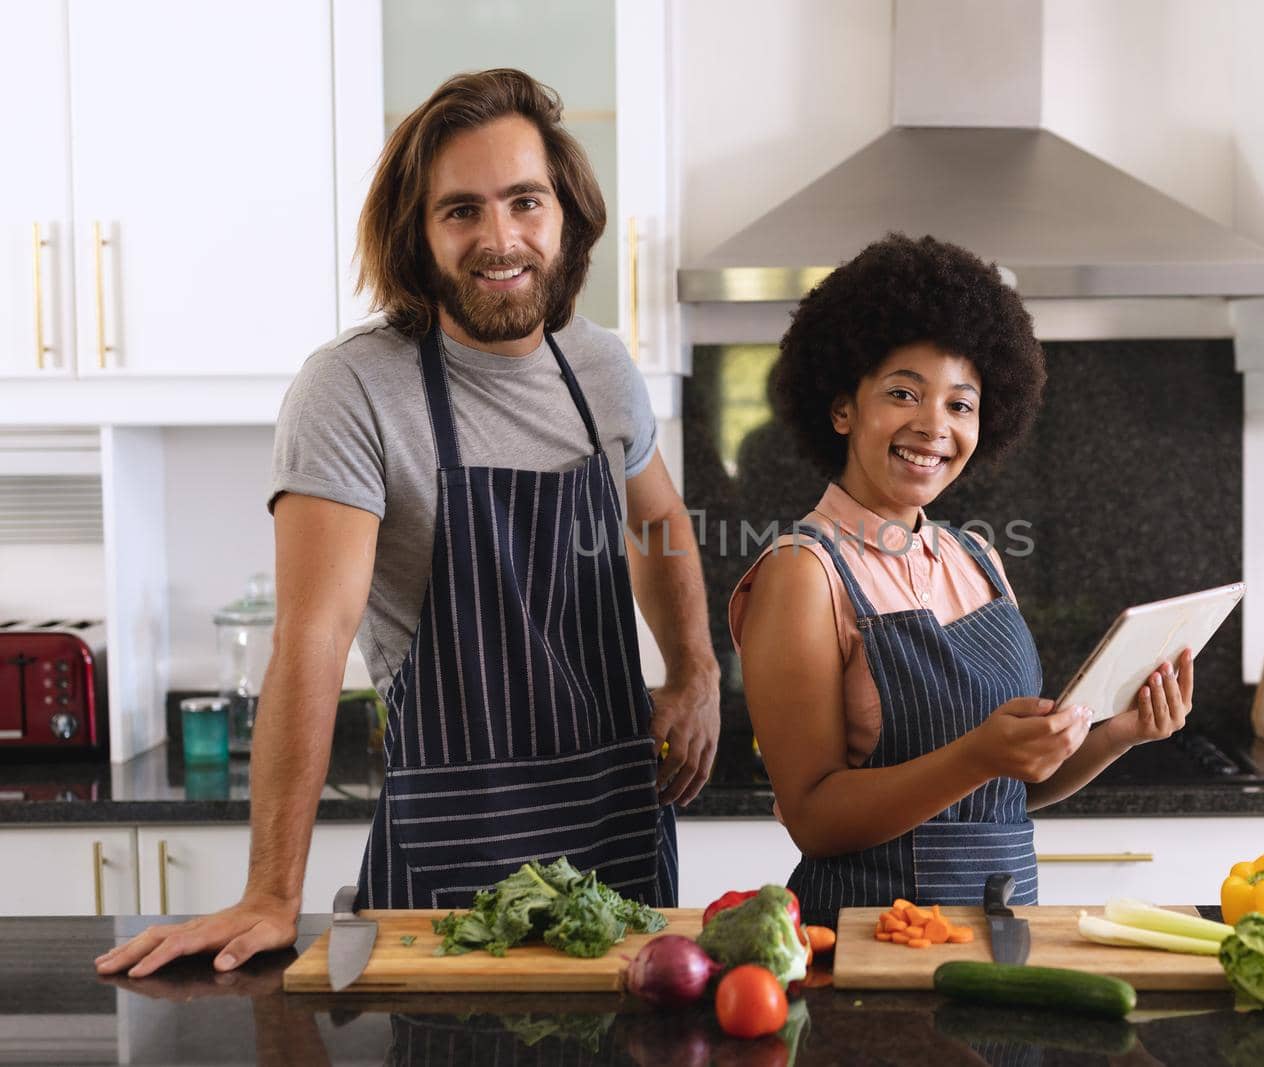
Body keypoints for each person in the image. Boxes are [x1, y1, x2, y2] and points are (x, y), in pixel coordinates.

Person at [97, 69, 720, 977]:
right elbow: (312, 638)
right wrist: (273, 892)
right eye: (461, 210)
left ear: (567, 215)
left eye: (524, 201)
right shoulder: (353, 388)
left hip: (618, 840)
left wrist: (696, 670)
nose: (499, 238)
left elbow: (658, 519)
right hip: (453, 868)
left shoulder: (602, 369)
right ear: (419, 235)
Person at [729, 234, 1194, 924]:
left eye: (960, 403)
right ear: (842, 409)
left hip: (1004, 935)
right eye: (903, 392)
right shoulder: (805, 571)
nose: (932, 425)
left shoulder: (978, 558)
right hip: (869, 948)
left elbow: (1010, 786)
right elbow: (814, 817)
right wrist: (977, 753)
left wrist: (1120, 731)